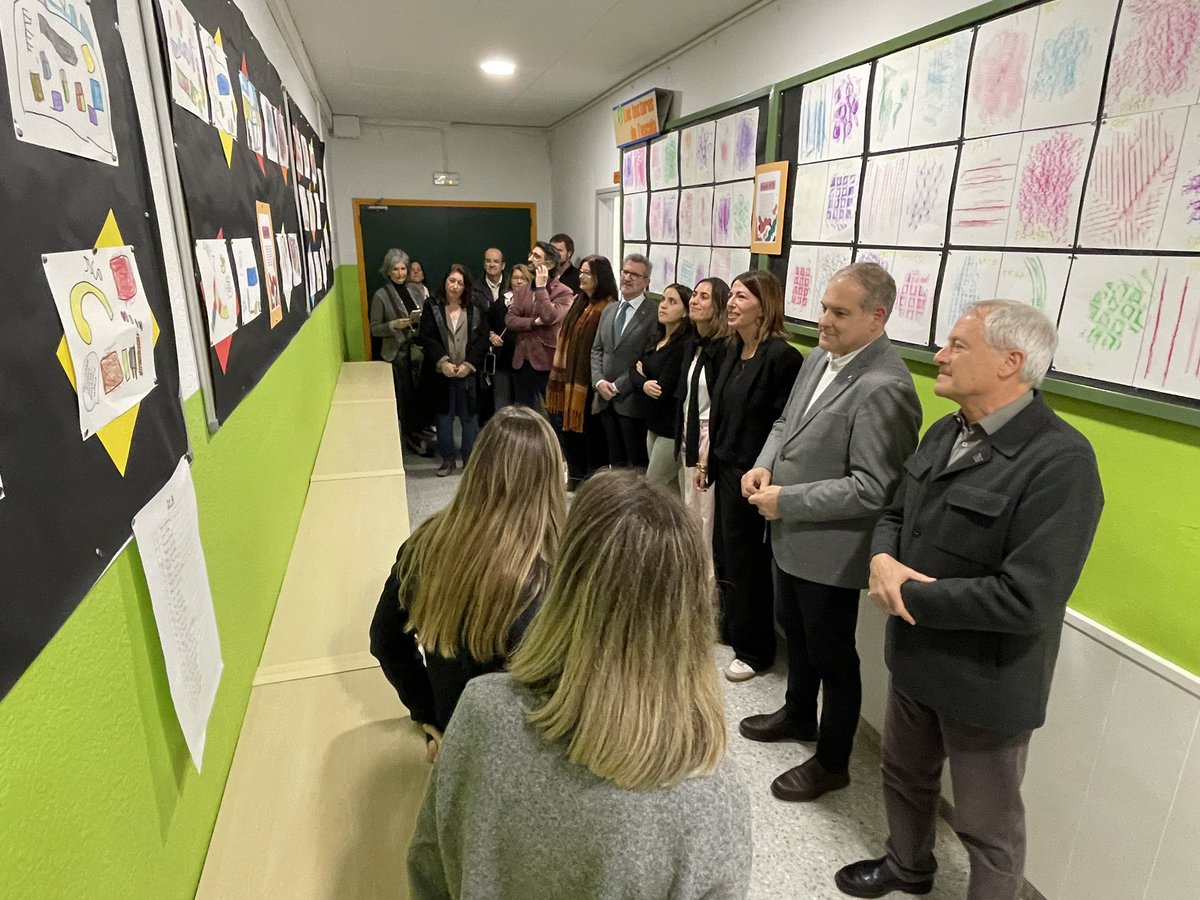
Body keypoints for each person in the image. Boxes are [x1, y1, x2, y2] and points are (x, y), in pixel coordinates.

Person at [835, 301, 1104, 900]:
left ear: (1012, 362)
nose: (939, 355)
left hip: (987, 678)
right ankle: (907, 866)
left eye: (957, 345)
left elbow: (1027, 598)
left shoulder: (1061, 462)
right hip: (915, 655)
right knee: (904, 776)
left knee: (988, 826)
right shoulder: (945, 431)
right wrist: (880, 558)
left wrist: (906, 593)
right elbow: (896, 513)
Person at [407, 469, 752, 900]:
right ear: (693, 614)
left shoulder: (481, 713)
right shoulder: (712, 796)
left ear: (565, 579)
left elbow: (428, 864)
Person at [738, 263, 922, 803]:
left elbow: (875, 488)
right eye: (823, 307)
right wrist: (764, 464)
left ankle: (833, 762)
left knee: (833, 657)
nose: (823, 320)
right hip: (790, 536)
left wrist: (786, 500)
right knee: (795, 634)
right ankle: (798, 715)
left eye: (839, 313)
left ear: (877, 317)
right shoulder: (820, 357)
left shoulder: (885, 386)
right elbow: (784, 426)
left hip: (831, 551)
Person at [369, 407, 565, 757]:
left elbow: (385, 640)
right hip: (524, 754)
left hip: (455, 732)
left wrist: (428, 714)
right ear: (550, 480)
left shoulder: (424, 544)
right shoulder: (552, 576)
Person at [701, 270, 802, 682]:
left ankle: (756, 650)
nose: (732, 303)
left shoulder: (782, 358)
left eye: (741, 297)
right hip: (725, 464)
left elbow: (784, 424)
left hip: (754, 475)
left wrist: (763, 468)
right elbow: (720, 411)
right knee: (724, 552)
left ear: (765, 305)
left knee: (749, 562)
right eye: (733, 296)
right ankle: (732, 628)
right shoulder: (731, 349)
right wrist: (708, 458)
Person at [546, 256, 616, 489]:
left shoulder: (608, 306)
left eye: (587, 273)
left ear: (600, 278)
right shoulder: (580, 301)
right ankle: (575, 478)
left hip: (589, 382)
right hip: (570, 380)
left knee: (590, 437)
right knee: (570, 435)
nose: (581, 277)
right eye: (582, 272)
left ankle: (590, 484)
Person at [676, 277, 729, 564]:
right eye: (694, 294)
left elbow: (720, 405)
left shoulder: (722, 349)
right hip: (689, 431)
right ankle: (692, 575)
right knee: (690, 513)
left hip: (708, 436)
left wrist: (706, 455)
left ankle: (708, 590)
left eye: (704, 296)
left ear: (719, 305)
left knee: (706, 518)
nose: (694, 300)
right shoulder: (694, 344)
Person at [417, 264, 490, 476]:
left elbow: (483, 339)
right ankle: (447, 459)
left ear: (466, 286)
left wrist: (469, 364)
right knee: (444, 418)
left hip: (468, 373)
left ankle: (469, 460)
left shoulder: (477, 307)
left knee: (470, 418)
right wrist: (443, 362)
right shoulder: (432, 305)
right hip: (442, 373)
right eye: (452, 281)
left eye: (460, 282)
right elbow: (427, 337)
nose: (455, 286)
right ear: (445, 282)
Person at [590, 253, 658, 467]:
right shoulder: (610, 309)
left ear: (646, 282)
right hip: (604, 399)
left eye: (635, 275)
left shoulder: (653, 314)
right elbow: (596, 350)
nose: (627, 278)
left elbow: (645, 358)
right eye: (625, 272)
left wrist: (618, 386)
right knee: (614, 462)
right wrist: (599, 381)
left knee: (635, 464)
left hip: (631, 401)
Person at [630, 282, 693, 494]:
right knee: (670, 491)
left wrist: (643, 377)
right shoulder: (656, 337)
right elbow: (633, 369)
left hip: (670, 429)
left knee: (650, 488)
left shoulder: (684, 344)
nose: (663, 306)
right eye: (663, 300)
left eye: (672, 302)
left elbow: (662, 390)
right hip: (652, 423)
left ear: (685, 312)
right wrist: (643, 382)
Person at [368, 248, 430, 456]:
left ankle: (421, 429)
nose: (400, 273)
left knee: (421, 393)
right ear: (388, 271)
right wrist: (394, 325)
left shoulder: (415, 290)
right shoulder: (381, 295)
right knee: (405, 398)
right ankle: (409, 437)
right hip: (397, 354)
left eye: (403, 268)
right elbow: (374, 328)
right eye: (396, 269)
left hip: (417, 351)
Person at [506, 241, 574, 410]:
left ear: (549, 264)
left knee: (554, 413)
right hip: (522, 361)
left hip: (546, 362)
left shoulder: (564, 292)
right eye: (531, 254)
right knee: (523, 412)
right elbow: (510, 319)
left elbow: (549, 316)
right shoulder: (523, 290)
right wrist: (533, 323)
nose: (530, 259)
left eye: (536, 256)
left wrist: (541, 288)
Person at [471, 248, 508, 425]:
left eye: (495, 261)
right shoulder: (474, 288)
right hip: (484, 348)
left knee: (506, 395)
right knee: (485, 394)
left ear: (503, 265)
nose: (491, 265)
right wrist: (489, 334)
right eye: (488, 261)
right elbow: (476, 317)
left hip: (508, 349)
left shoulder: (512, 284)